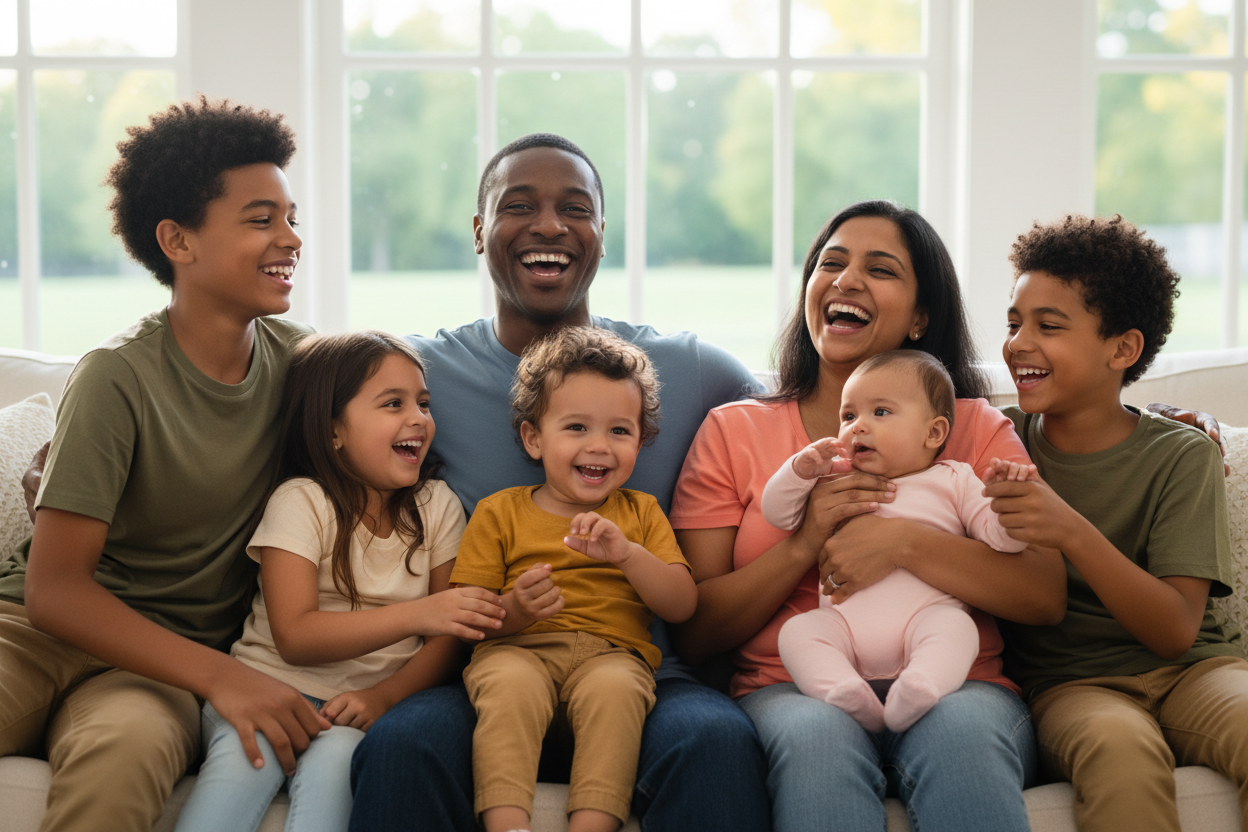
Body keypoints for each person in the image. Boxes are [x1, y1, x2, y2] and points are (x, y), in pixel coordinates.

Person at [348, 133, 770, 832]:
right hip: (492, 670)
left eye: (575, 208)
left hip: (642, 672)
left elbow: (793, 419)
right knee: (403, 745)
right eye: (519, 206)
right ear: (481, 231)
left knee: (718, 743)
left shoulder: (687, 367)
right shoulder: (418, 376)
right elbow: (317, 404)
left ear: (602, 233)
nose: (549, 225)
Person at [669, 199, 1067, 832]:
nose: (846, 280)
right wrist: (802, 546)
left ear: (920, 318)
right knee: (817, 746)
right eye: (831, 263)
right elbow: (694, 631)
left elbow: (1045, 595)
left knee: (961, 737)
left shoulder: (970, 426)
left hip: (960, 684)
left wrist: (904, 542)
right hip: (793, 689)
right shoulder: (735, 431)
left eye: (880, 270)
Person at [0, 97, 328, 832]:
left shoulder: (303, 365)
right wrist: (228, 678)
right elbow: (54, 591)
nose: (291, 238)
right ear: (178, 240)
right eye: (261, 219)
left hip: (154, 671)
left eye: (290, 215)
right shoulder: (116, 376)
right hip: (30, 633)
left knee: (123, 762)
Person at [173, 331, 505, 832]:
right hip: (265, 689)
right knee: (234, 786)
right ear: (333, 432)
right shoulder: (302, 501)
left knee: (331, 791)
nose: (418, 418)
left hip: (356, 711)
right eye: (393, 404)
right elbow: (296, 635)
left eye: (423, 403)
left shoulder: (437, 507)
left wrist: (385, 698)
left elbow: (447, 637)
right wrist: (419, 614)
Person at [987, 214, 1248, 832]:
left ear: (1123, 350)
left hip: (1198, 671)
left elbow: (1177, 631)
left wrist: (1070, 529)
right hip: (1072, 687)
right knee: (1120, 754)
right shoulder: (997, 441)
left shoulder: (1181, 455)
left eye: (1048, 326)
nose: (1019, 342)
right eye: (1013, 322)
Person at [451, 326, 696, 832]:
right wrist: (514, 610)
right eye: (577, 428)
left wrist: (627, 555)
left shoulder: (641, 513)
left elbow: (681, 605)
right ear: (533, 438)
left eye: (619, 431)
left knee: (616, 693)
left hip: (611, 658)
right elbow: (466, 618)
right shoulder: (500, 513)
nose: (600, 447)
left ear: (641, 442)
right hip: (517, 651)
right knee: (509, 687)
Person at [765, 350, 1027, 734]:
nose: (858, 427)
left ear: (933, 433)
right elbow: (778, 514)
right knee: (798, 632)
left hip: (925, 623)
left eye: (881, 413)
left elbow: (1003, 542)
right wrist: (797, 473)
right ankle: (843, 690)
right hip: (844, 629)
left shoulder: (955, 479)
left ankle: (922, 686)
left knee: (956, 627)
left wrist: (1008, 502)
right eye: (849, 416)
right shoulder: (834, 480)